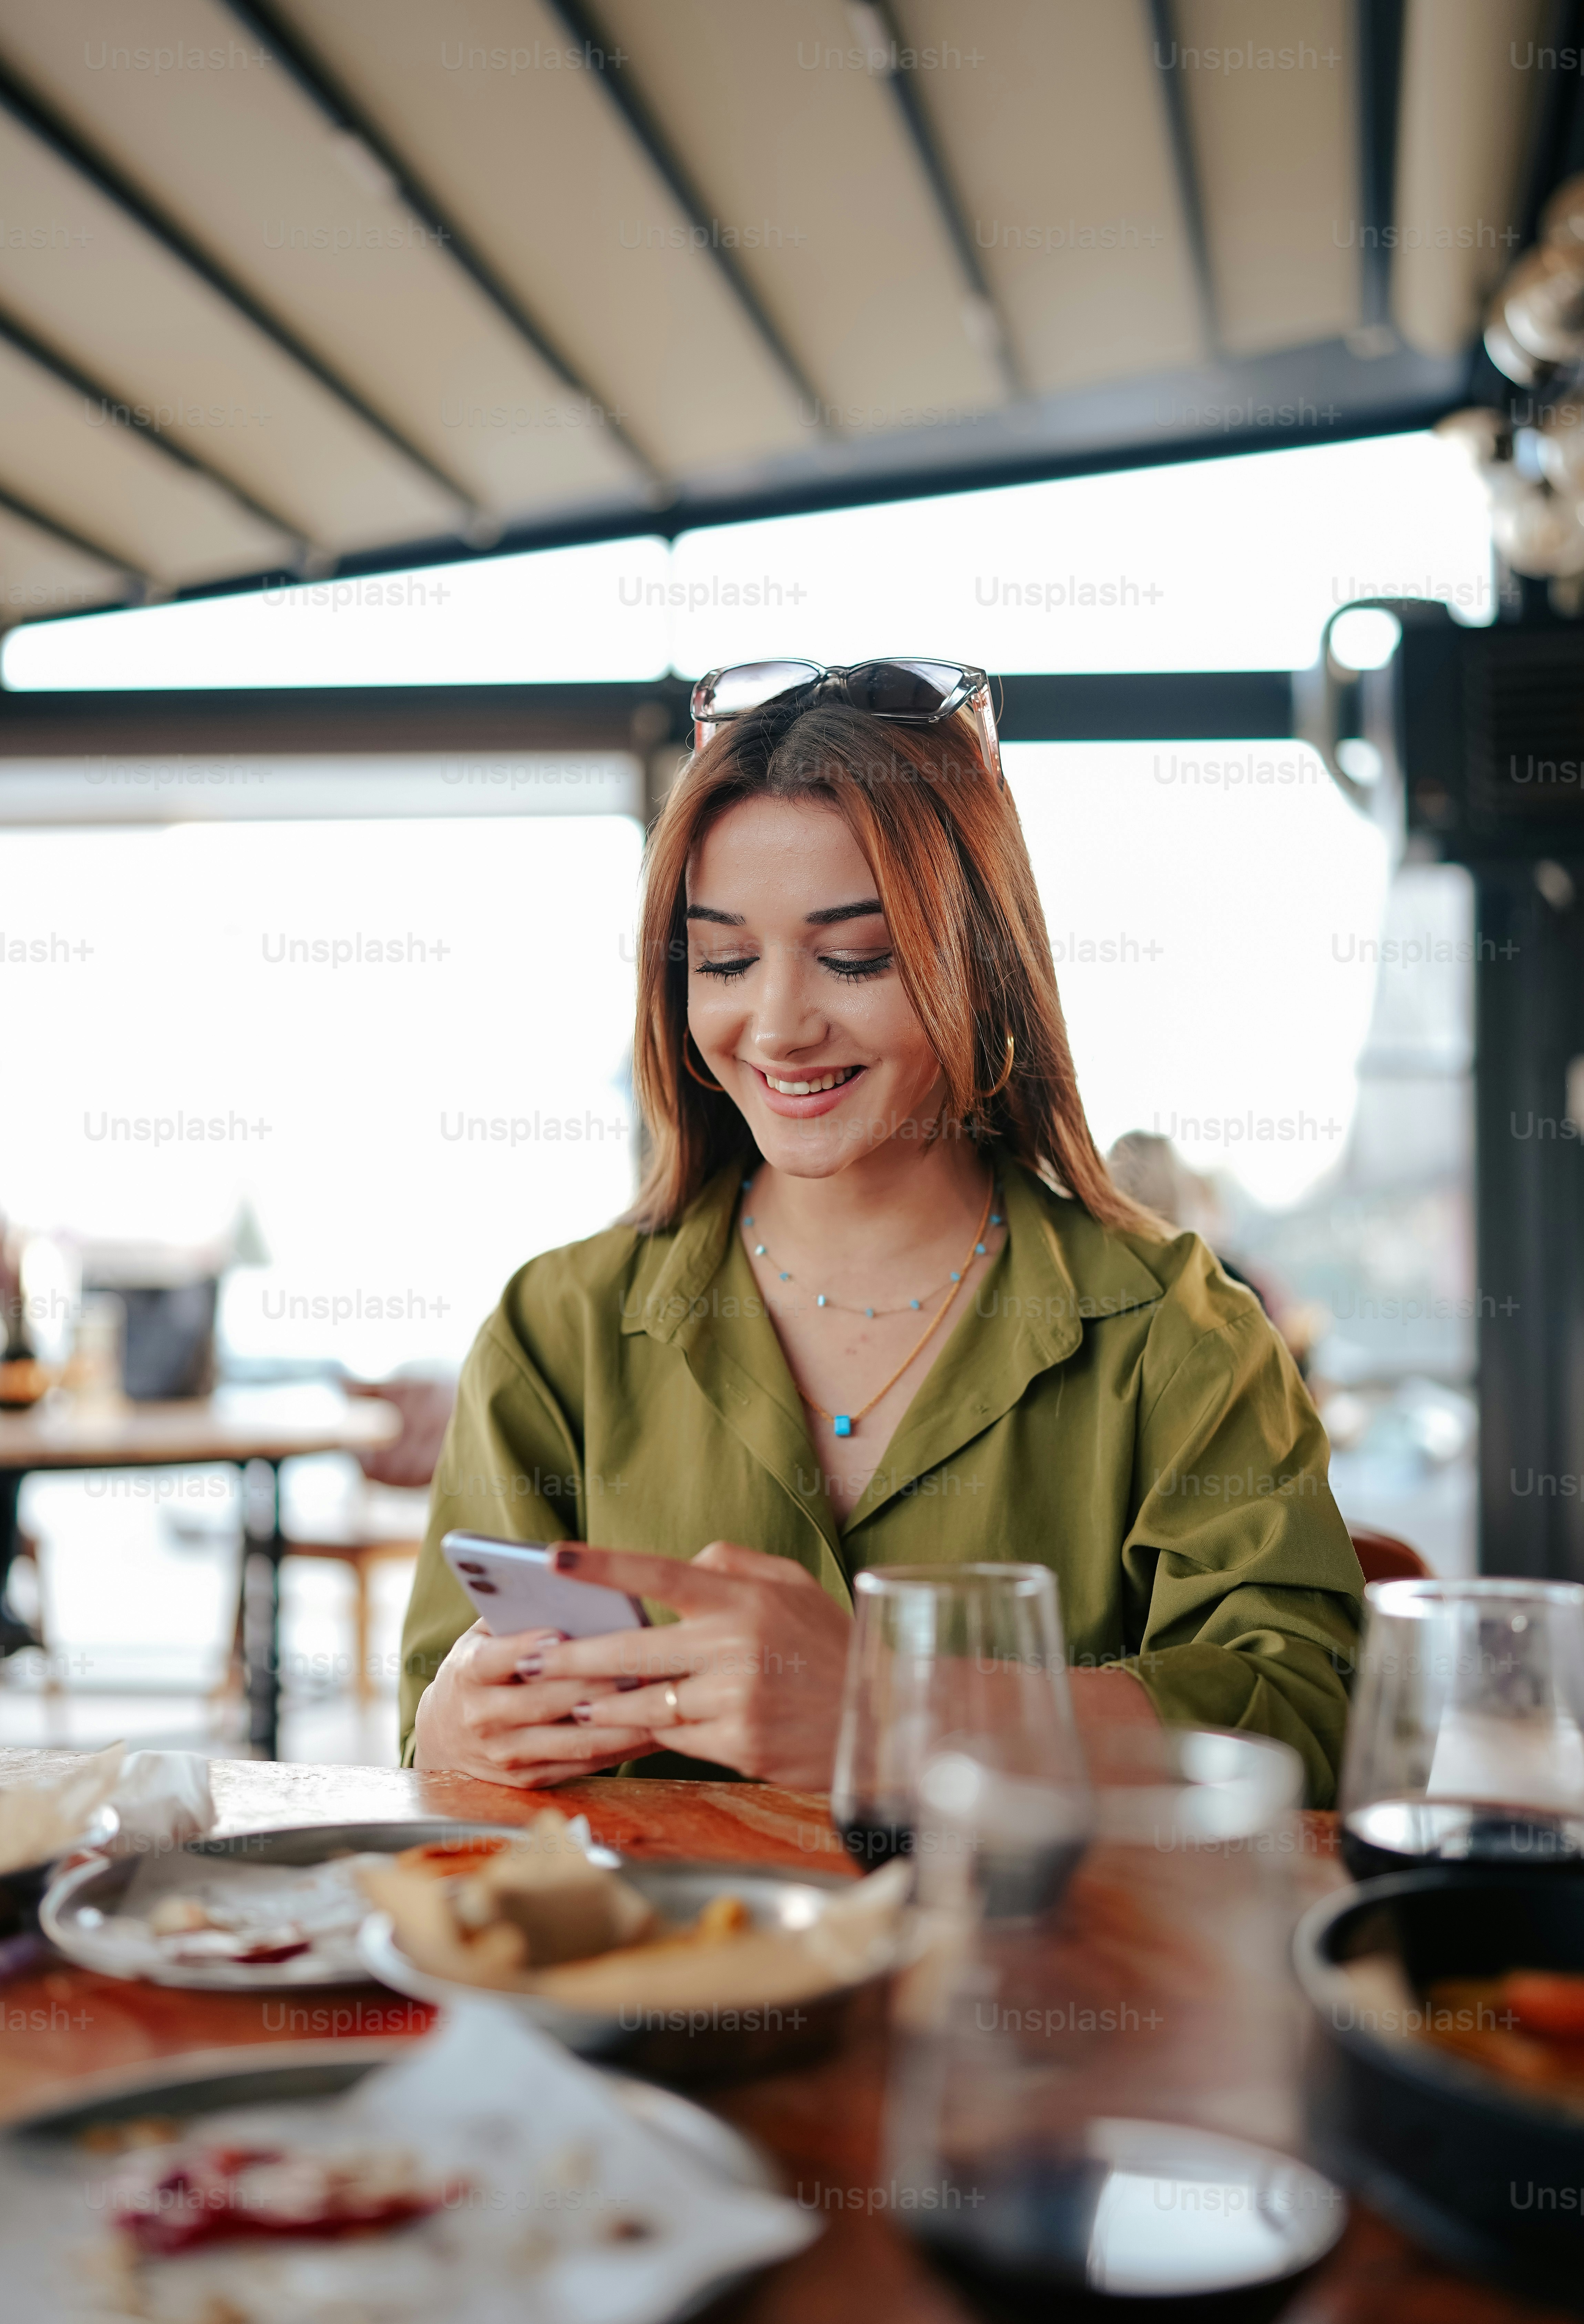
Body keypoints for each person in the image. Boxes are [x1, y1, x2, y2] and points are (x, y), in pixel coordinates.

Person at [400, 658, 1364, 1805]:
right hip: (660, 1976)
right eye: (724, 960)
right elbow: (435, 1775)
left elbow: (1303, 1718)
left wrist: (898, 1710)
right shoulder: (557, 1331)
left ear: (982, 962)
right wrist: (448, 1737)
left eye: (855, 955)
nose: (778, 1025)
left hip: (1040, 1979)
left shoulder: (1173, 1332)